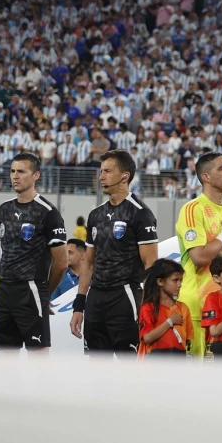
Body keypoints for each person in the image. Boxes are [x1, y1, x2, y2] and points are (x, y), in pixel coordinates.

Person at [69, 151, 160, 357]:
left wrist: (150, 307)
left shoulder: (141, 213)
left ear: (125, 176)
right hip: (96, 300)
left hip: (125, 297)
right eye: (101, 171)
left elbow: (151, 265)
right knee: (97, 366)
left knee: (129, 367)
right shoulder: (96, 215)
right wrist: (79, 306)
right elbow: (88, 264)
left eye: (108, 171)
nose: (101, 176)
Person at [0, 152, 68, 354]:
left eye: (21, 171)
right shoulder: (4, 209)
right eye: (12, 171)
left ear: (36, 175)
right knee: (6, 354)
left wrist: (44, 293)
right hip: (4, 290)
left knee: (38, 355)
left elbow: (61, 263)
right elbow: (6, 250)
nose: (15, 176)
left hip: (31, 290)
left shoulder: (48, 213)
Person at [176, 152, 222, 359]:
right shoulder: (192, 209)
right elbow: (199, 257)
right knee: (194, 380)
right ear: (205, 176)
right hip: (196, 307)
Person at [138, 258, 191, 357]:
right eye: (175, 280)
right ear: (160, 282)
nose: (180, 285)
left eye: (181, 280)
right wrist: (170, 322)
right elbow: (147, 338)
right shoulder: (147, 308)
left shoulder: (183, 308)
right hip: (156, 362)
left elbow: (187, 340)